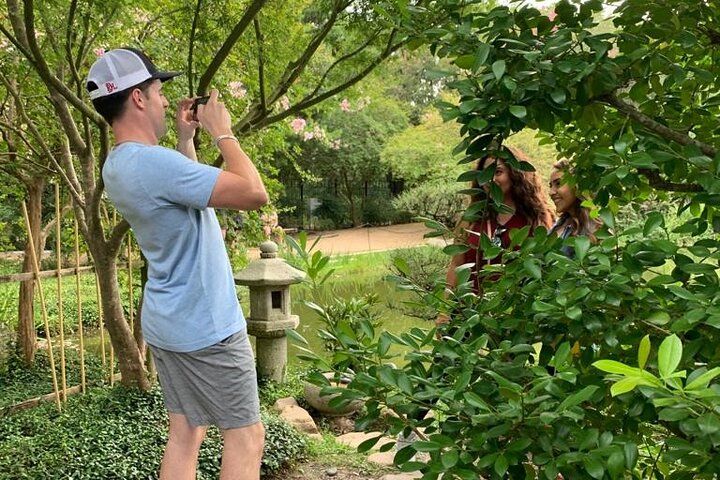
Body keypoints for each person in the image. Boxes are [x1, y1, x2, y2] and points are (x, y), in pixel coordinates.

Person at [87, 48, 267, 479]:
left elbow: (191, 197)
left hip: (169, 321)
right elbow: (253, 193)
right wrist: (223, 133)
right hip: (208, 326)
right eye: (158, 90)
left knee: (186, 431)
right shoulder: (153, 164)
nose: (166, 100)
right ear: (138, 98)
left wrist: (187, 142)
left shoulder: (120, 164)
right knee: (247, 435)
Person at [445, 146, 554, 294]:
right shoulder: (471, 219)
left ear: (515, 174)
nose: (491, 179)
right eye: (485, 173)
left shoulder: (535, 219)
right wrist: (444, 313)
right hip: (470, 311)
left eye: (498, 172)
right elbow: (456, 266)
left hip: (515, 312)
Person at [548, 159, 601, 252]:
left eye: (558, 183)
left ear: (577, 185)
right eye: (550, 186)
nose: (551, 192)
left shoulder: (595, 230)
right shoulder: (560, 224)